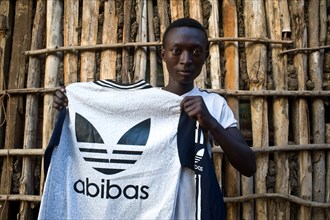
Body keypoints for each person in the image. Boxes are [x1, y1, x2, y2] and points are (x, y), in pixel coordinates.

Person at [52, 18, 256, 219]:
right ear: (163, 55)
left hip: (191, 210)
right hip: (146, 207)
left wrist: (211, 123)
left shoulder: (213, 104)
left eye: (195, 51)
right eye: (177, 51)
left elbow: (248, 166)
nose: (186, 60)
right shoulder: (143, 103)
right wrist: (71, 105)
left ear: (205, 56)